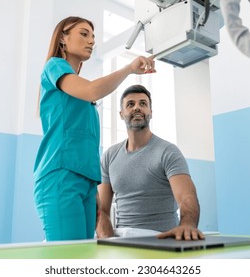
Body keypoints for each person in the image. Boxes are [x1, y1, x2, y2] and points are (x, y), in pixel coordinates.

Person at [33, 16, 155, 241]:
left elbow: (85, 144)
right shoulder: (54, 67)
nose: (91, 41)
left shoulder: (79, 95)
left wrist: (93, 188)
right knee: (68, 260)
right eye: (84, 34)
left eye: (93, 37)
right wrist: (129, 68)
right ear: (63, 38)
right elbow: (92, 90)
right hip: (60, 176)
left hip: (86, 182)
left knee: (84, 254)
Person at [96, 84, 204, 241]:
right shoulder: (109, 156)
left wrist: (187, 224)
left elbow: (187, 197)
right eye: (130, 104)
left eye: (143, 103)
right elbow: (102, 211)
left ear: (150, 112)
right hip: (122, 238)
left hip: (160, 237)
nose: (137, 108)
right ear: (121, 114)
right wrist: (109, 241)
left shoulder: (168, 152)